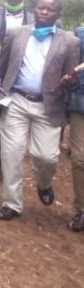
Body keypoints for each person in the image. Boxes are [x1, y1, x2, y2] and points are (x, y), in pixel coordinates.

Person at [0, 0, 79, 221]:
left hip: (48, 106)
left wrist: (69, 80)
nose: (44, 12)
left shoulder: (70, 42)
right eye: (41, 8)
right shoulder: (17, 34)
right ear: (34, 10)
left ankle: (43, 184)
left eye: (50, 9)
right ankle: (11, 203)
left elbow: (71, 76)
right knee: (11, 153)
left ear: (57, 15)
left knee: (47, 158)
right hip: (16, 101)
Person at [0, 0, 35, 176]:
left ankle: (11, 159)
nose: (14, 0)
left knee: (16, 117)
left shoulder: (33, 19)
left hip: (22, 74)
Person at [66, 26, 84, 232]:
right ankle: (81, 209)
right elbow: (69, 68)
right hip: (81, 103)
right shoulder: (80, 36)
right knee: (80, 158)